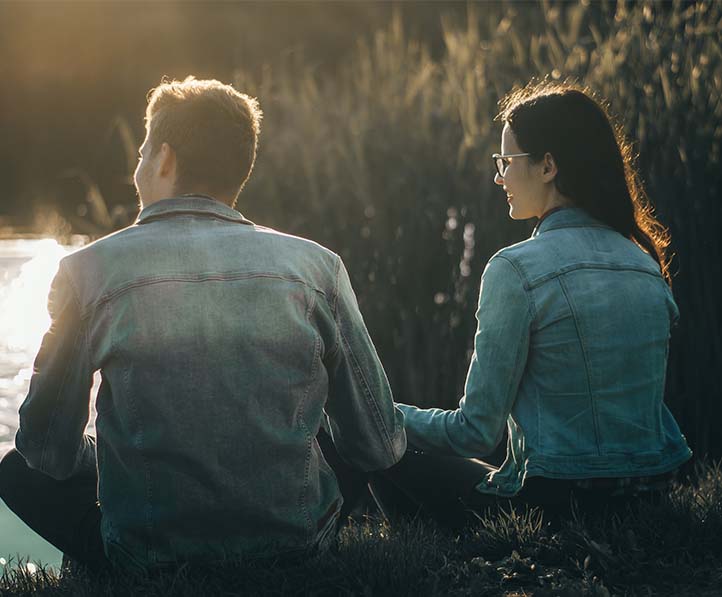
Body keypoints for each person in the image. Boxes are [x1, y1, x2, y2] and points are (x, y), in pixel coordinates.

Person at [0, 76, 406, 573]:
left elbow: (47, 452)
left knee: (16, 470)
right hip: (297, 547)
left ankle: (101, 570)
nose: (139, 167)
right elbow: (379, 444)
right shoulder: (319, 267)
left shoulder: (86, 271)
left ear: (164, 159)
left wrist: (105, 453)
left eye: (143, 152)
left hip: (150, 556)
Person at [368, 80, 692, 528]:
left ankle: (427, 555)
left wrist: (382, 413)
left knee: (375, 441)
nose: (499, 176)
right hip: (647, 499)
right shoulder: (644, 264)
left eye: (506, 161)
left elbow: (474, 432)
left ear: (547, 166)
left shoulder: (515, 269)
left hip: (553, 508)